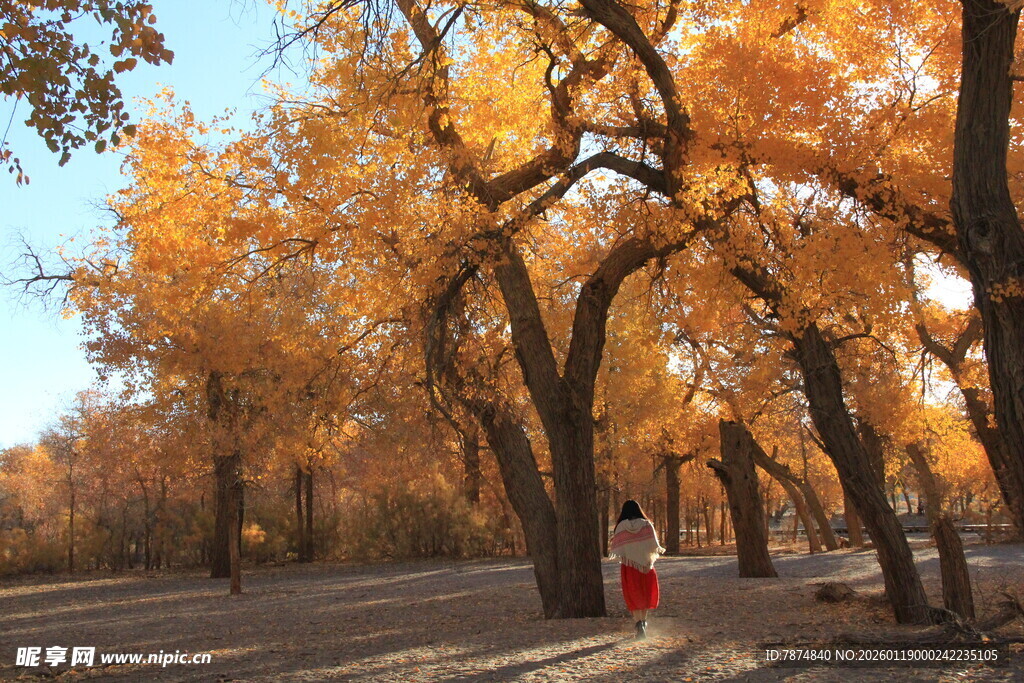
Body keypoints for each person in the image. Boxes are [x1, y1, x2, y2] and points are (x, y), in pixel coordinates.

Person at [609, 499, 665, 639]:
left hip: (629, 566)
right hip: (646, 566)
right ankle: (644, 622)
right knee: (645, 593)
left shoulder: (621, 527)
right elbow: (654, 544)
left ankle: (638, 623)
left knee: (633, 594)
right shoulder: (646, 525)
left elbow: (616, 547)